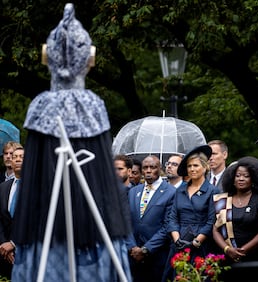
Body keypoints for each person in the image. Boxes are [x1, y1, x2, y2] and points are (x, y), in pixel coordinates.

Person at [10, 4, 132, 281]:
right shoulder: (94, 105)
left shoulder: (41, 105)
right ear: (88, 59)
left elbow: (36, 174)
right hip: (89, 220)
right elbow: (99, 171)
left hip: (48, 223)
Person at [162, 145, 220, 282]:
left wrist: (195, 242)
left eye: (195, 165)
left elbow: (211, 221)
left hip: (201, 245)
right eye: (189, 166)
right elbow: (173, 217)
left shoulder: (213, 191)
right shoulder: (180, 190)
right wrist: (177, 240)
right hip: (179, 243)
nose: (192, 169)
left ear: (205, 167)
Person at [126, 155, 176, 282]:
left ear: (159, 169)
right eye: (145, 167)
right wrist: (132, 247)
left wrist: (146, 249)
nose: (148, 170)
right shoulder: (133, 191)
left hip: (157, 256)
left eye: (152, 167)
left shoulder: (170, 192)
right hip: (133, 256)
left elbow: (167, 225)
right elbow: (127, 221)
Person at [213, 156, 258, 264]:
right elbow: (215, 229)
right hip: (227, 256)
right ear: (232, 178)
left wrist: (242, 250)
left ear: (253, 179)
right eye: (238, 176)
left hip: (255, 257)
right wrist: (228, 249)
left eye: (246, 176)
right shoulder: (222, 200)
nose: (241, 179)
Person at [0, 145, 23, 279]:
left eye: (22, 157)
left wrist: (13, 243)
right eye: (15, 157)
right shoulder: (3, 188)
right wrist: (4, 244)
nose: (17, 160)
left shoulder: (36, 187)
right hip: (4, 255)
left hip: (28, 251)